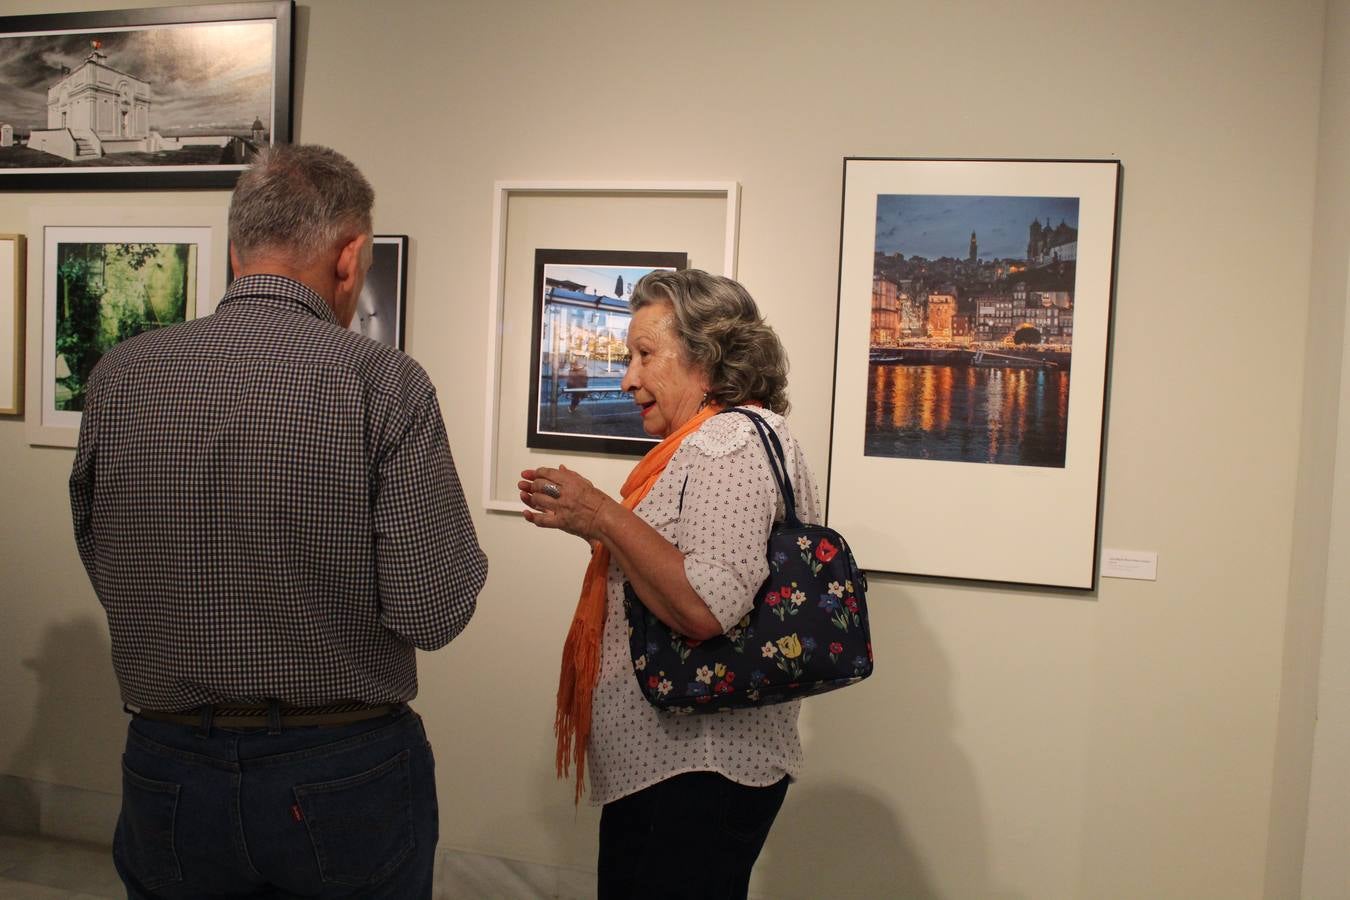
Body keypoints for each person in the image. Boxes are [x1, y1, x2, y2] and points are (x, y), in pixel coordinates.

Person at [69, 144, 487, 899]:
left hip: (166, 759)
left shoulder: (120, 375)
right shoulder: (381, 380)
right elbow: (434, 610)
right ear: (350, 254)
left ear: (236, 250)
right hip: (339, 763)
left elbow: (104, 556)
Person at [519, 269, 819, 899]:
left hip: (698, 769)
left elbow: (706, 606)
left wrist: (602, 514)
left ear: (707, 361)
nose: (628, 377)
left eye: (645, 355)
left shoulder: (727, 441)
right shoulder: (714, 440)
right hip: (683, 768)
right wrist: (600, 528)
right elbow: (681, 566)